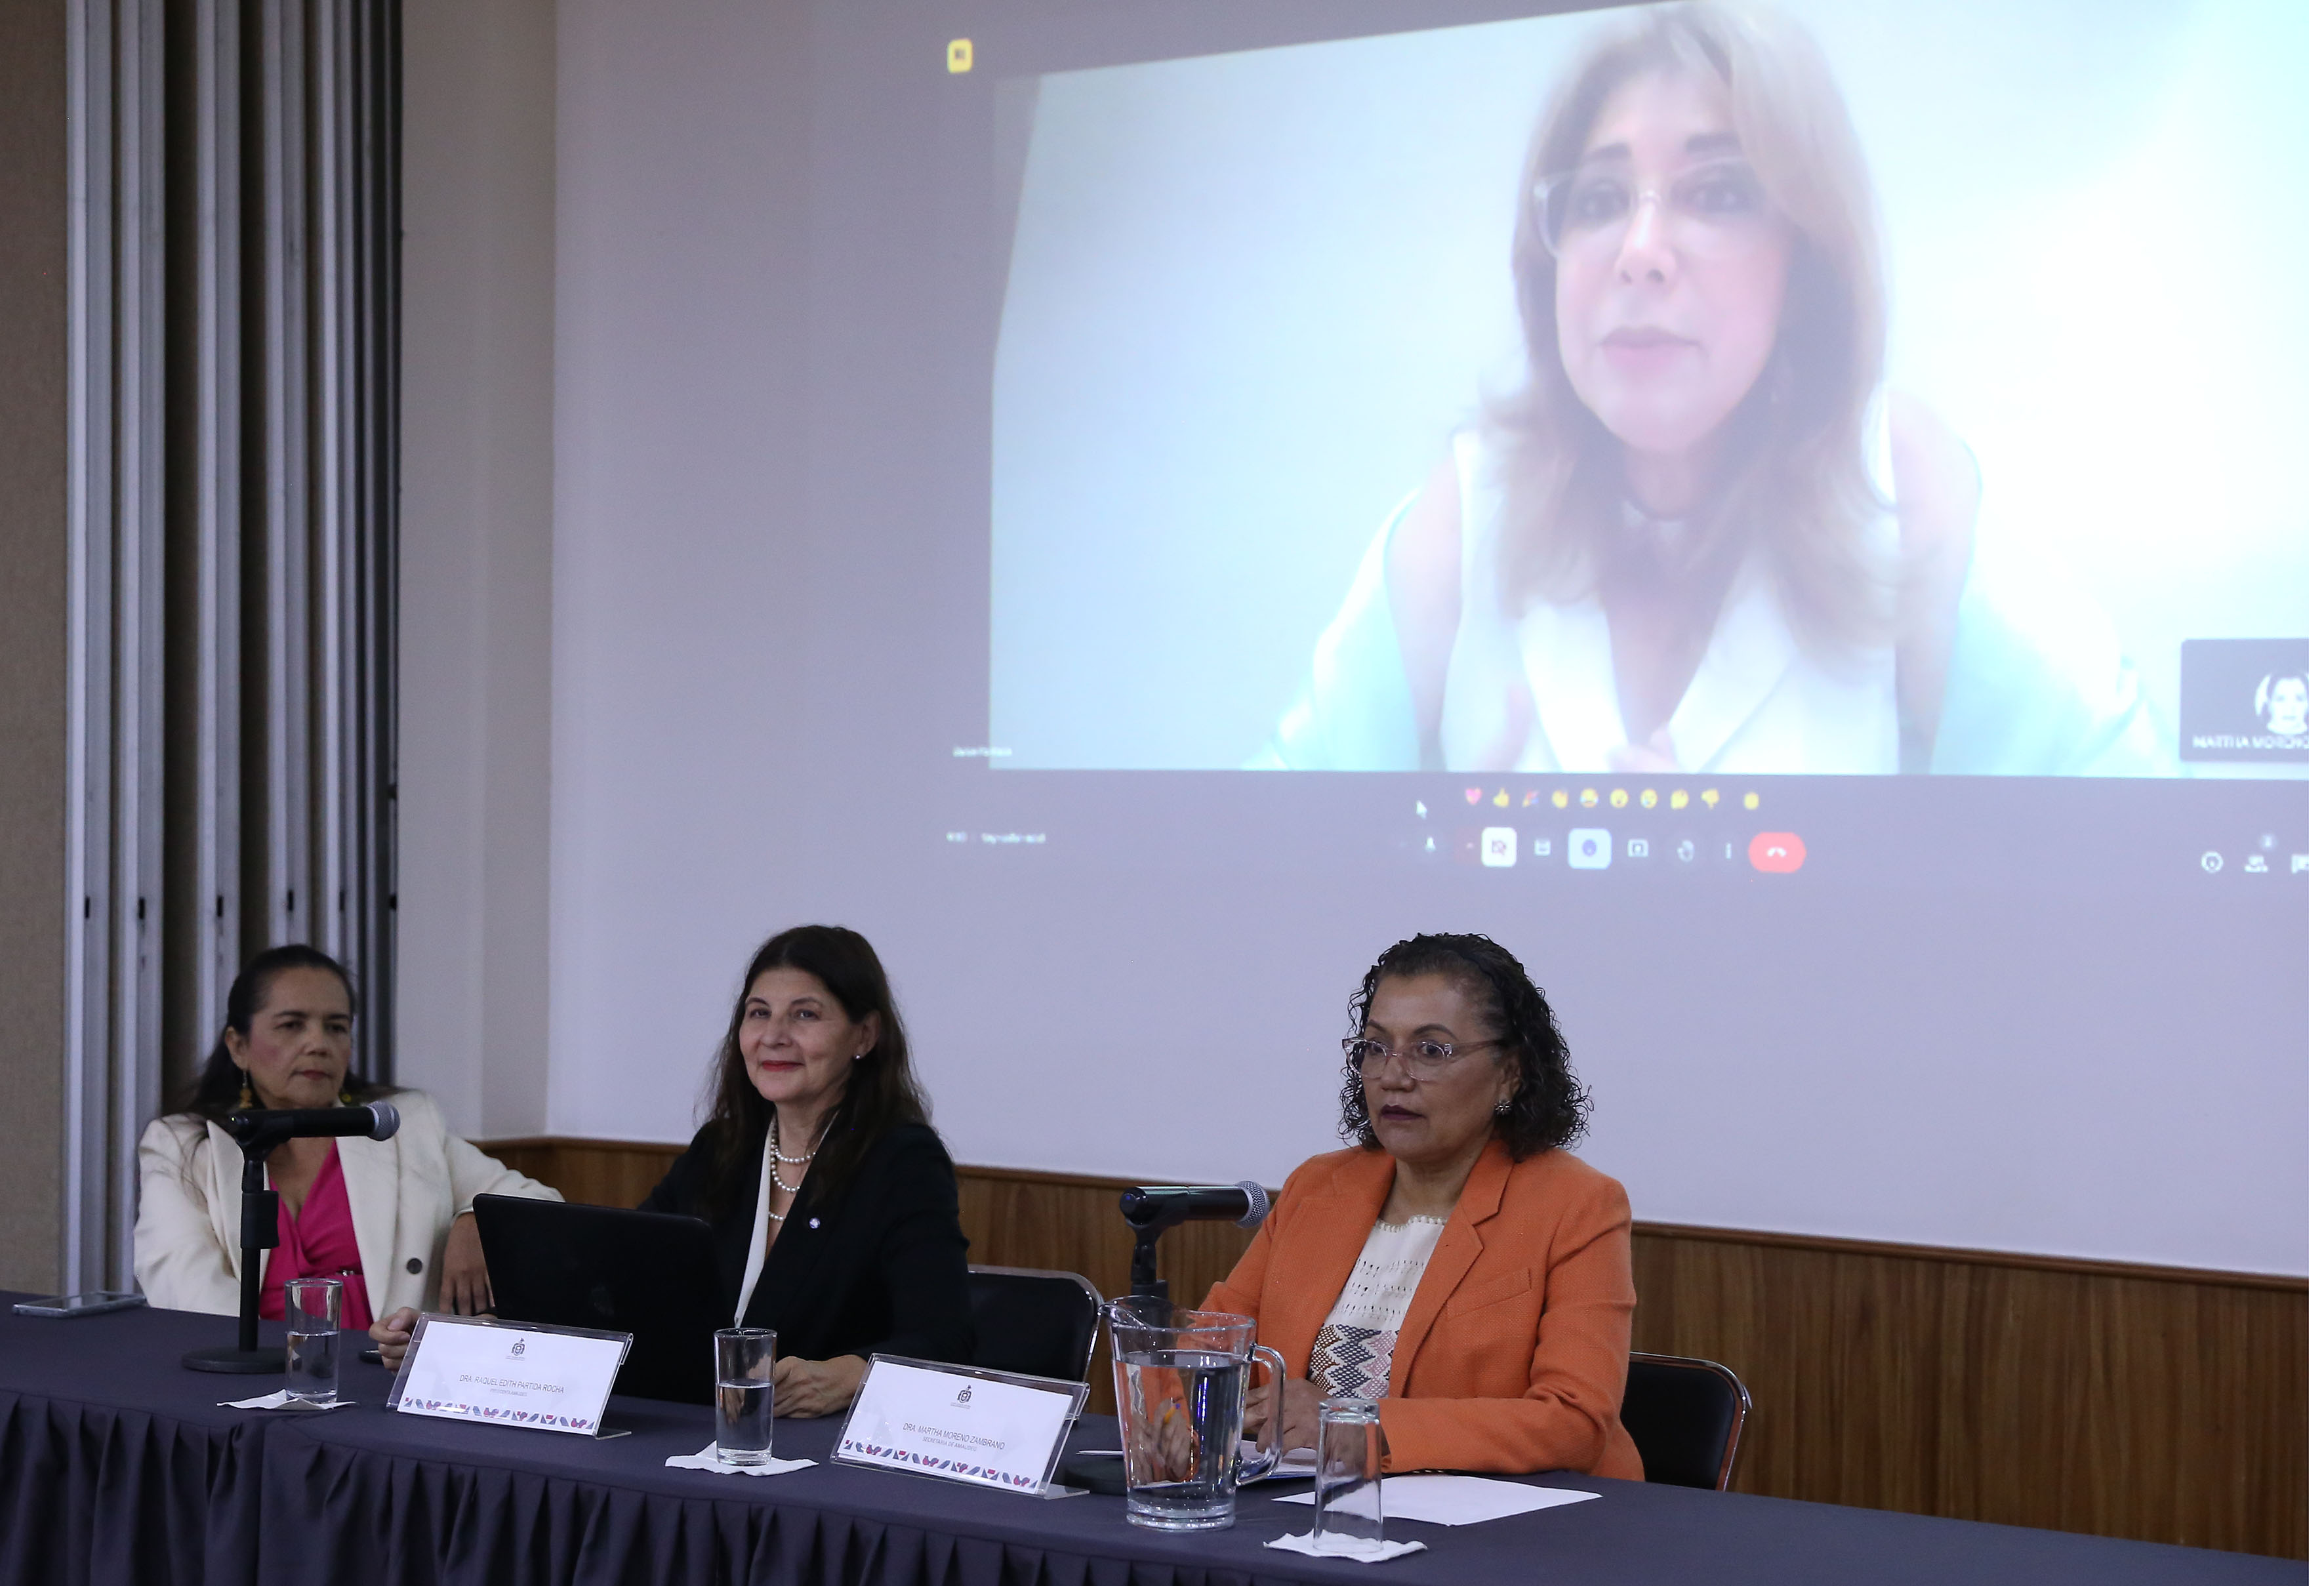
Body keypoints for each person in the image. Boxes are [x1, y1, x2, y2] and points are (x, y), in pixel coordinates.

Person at [1259, 1, 2169, 777]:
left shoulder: (1901, 494)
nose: (1639, 252)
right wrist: (1439, 876)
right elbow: (1255, 863)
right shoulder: (1471, 513)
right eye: (1598, 200)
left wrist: (1758, 906)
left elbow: (2156, 861)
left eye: (1718, 194)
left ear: (1804, 263)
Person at [1206, 933, 1642, 1478]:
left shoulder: (1575, 1205)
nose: (1393, 1077)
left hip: (1516, 1518)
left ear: (1510, 1072)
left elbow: (1574, 1422)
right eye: (1375, 1048)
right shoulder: (1317, 1188)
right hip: (1301, 1503)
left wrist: (1360, 1425)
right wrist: (1183, 1415)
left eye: (1431, 1051)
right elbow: (1210, 1343)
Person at [635, 925, 973, 1417]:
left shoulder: (902, 1161)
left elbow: (944, 1339)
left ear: (864, 1035)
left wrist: (851, 1376)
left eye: (805, 1015)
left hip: (819, 1439)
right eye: (759, 1013)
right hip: (696, 1424)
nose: (774, 1037)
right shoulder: (720, 1149)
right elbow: (629, 1277)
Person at [135, 944, 560, 1331]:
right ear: (238, 1046)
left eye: (336, 1027)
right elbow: (186, 1288)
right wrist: (294, 1366)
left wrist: (476, 1221)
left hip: (390, 1371)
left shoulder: (404, 1123)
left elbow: (542, 1205)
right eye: (291, 1025)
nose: (318, 1043)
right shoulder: (183, 1146)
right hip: (253, 1376)